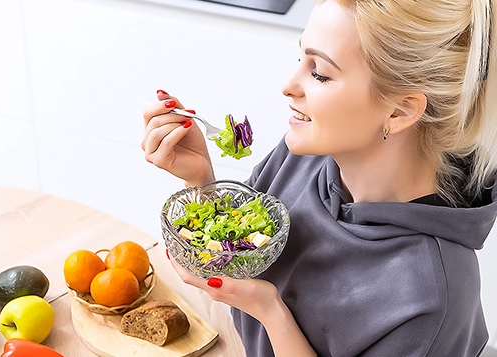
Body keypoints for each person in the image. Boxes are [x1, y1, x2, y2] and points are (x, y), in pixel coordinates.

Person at [141, 0, 497, 355]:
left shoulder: (430, 297)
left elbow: (258, 303)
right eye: (301, 60)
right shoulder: (304, 159)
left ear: (400, 110)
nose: (288, 86)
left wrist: (271, 312)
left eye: (320, 74)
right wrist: (201, 181)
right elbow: (236, 253)